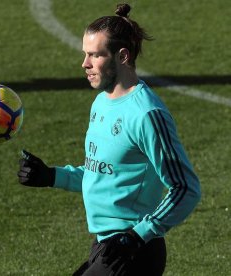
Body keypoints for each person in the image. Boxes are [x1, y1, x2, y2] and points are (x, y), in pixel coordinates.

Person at [17, 3, 201, 276]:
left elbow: (186, 188)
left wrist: (138, 236)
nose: (85, 64)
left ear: (122, 56)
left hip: (134, 252)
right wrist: (51, 176)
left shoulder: (147, 114)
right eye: (85, 54)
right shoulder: (102, 103)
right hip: (106, 247)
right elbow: (102, 174)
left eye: (95, 55)